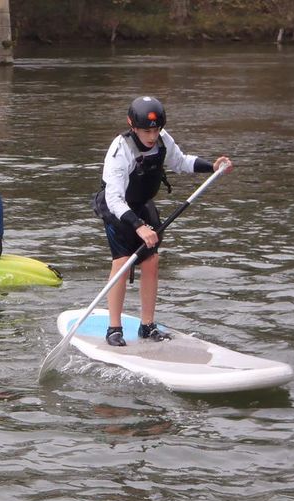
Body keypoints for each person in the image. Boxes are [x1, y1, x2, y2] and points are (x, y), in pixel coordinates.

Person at [92, 96, 233, 347]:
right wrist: (138, 226)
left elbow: (181, 162)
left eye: (156, 130)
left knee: (152, 261)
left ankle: (147, 326)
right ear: (132, 125)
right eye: (147, 131)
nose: (152, 135)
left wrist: (212, 167)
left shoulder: (162, 140)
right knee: (122, 263)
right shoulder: (119, 149)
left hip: (143, 205)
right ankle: (114, 328)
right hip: (118, 209)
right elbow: (114, 198)